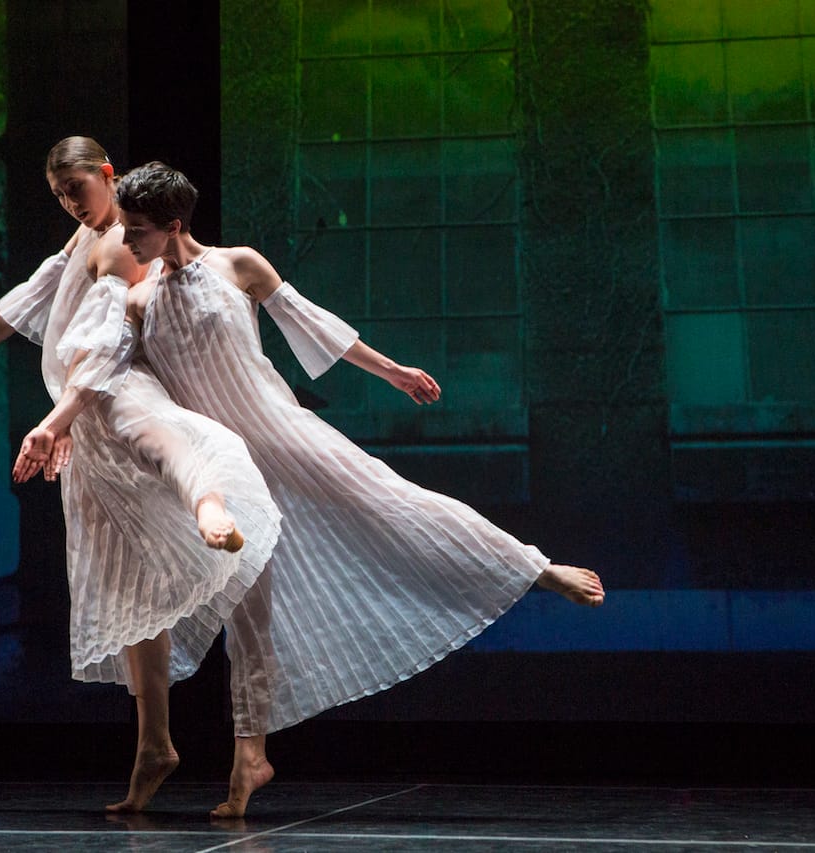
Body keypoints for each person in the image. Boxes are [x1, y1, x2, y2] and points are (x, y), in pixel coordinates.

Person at [113, 161, 605, 818]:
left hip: (285, 434)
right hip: (225, 469)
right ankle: (249, 759)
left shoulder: (238, 266)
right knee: (247, 612)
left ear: (175, 224)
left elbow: (314, 324)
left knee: (395, 502)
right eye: (124, 225)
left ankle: (538, 567)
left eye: (138, 228)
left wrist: (393, 370)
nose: (126, 239)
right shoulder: (140, 300)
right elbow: (123, 388)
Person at [0, 138, 283, 814]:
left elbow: (109, 347)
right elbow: (22, 303)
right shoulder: (80, 242)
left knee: (179, 454)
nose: (69, 202)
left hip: (109, 399)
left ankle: (210, 510)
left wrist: (56, 419)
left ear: (107, 176)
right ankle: (154, 744)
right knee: (125, 585)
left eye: (76, 188)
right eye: (58, 195)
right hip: (85, 435)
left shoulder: (127, 243)